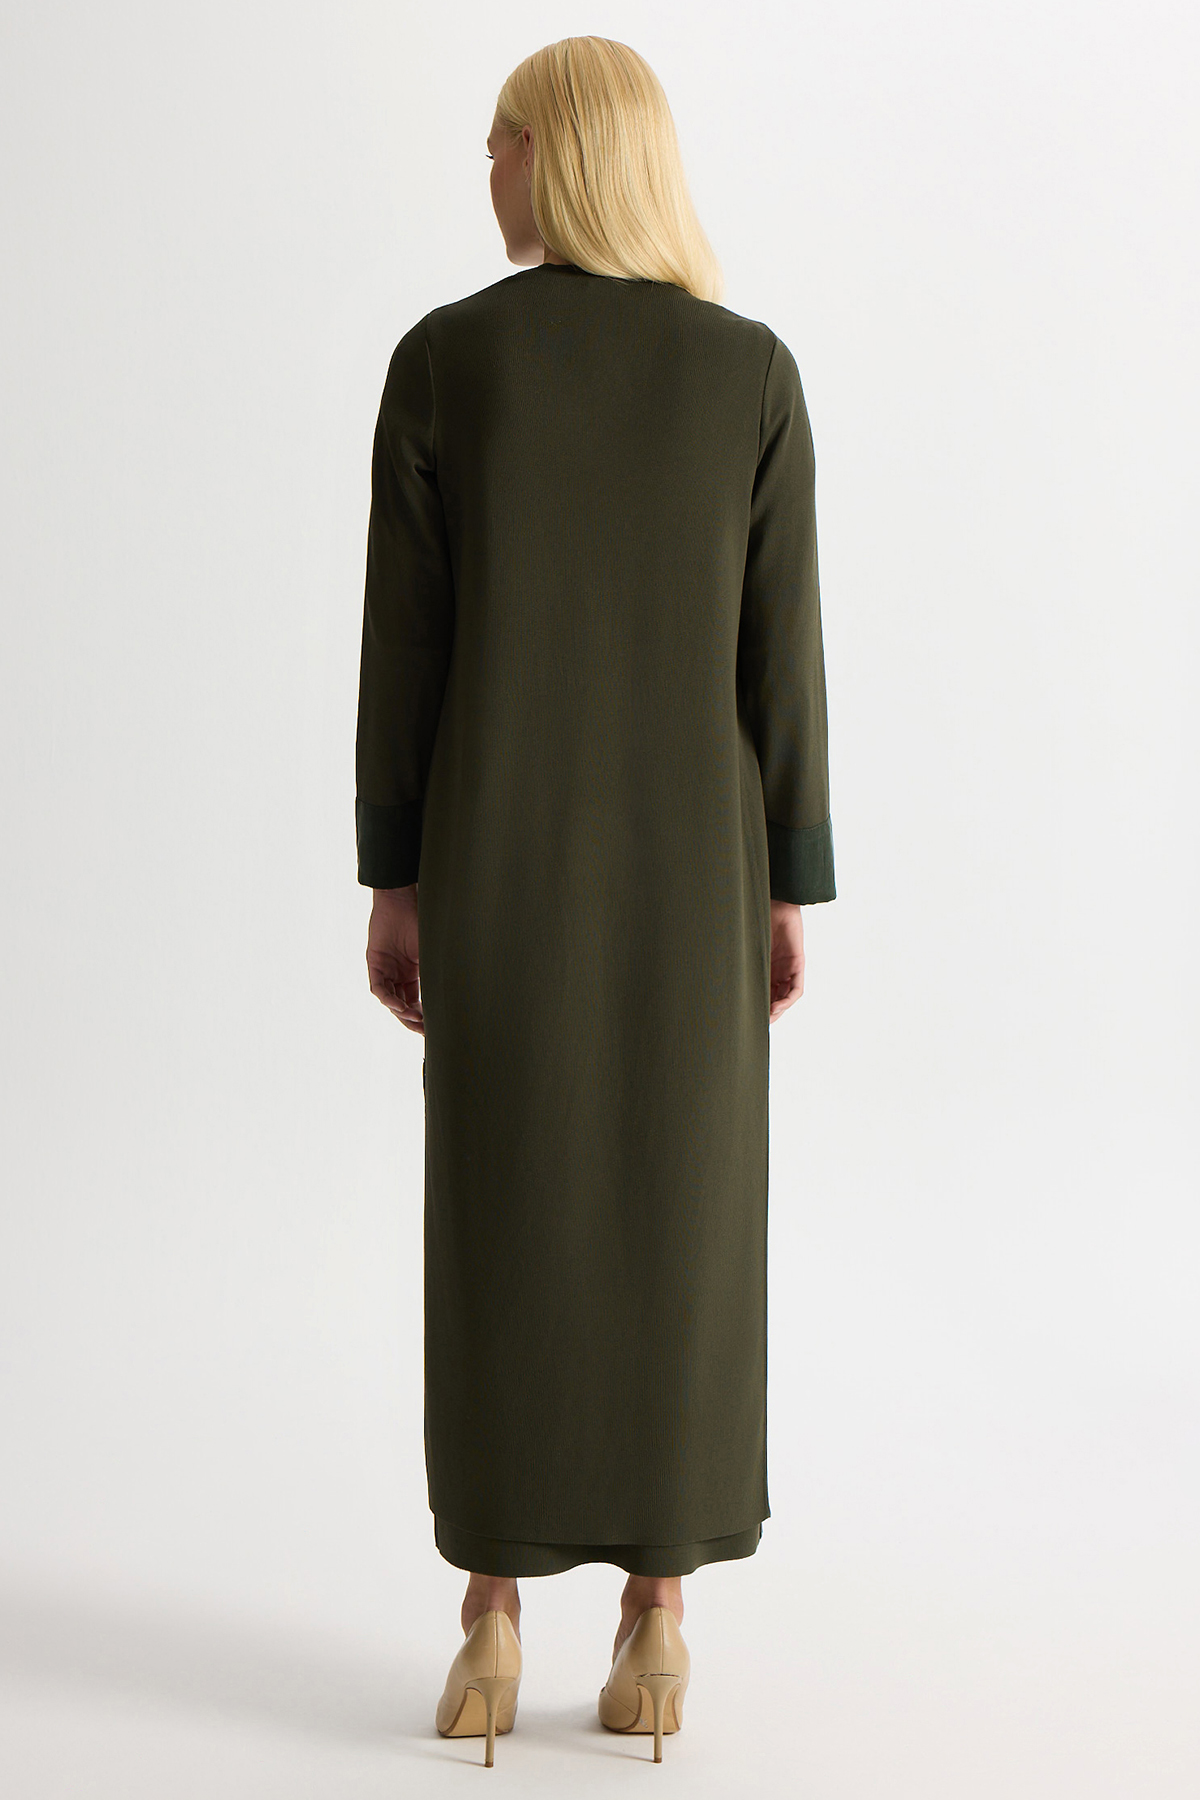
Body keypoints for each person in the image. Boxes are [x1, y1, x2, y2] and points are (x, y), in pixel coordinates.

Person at [355, 36, 836, 1765]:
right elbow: (781, 661)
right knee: (681, 1215)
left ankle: (491, 1613)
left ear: (556, 157)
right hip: (698, 866)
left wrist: (396, 876)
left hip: (496, 855)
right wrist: (790, 882)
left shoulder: (445, 364)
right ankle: (658, 1620)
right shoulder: (748, 373)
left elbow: (404, 654)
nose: (484, 171)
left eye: (499, 143)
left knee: (500, 1204)